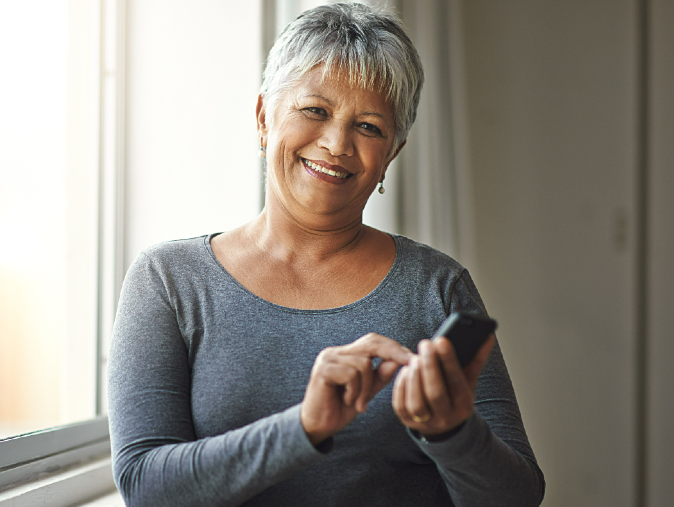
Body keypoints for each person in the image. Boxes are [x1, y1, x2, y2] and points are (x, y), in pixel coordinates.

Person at [108, 3, 544, 506]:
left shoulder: (437, 286)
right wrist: (305, 427)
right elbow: (145, 487)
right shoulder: (169, 282)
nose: (337, 143)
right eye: (315, 111)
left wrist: (452, 433)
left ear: (392, 155)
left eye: (369, 127)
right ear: (263, 118)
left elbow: (518, 498)